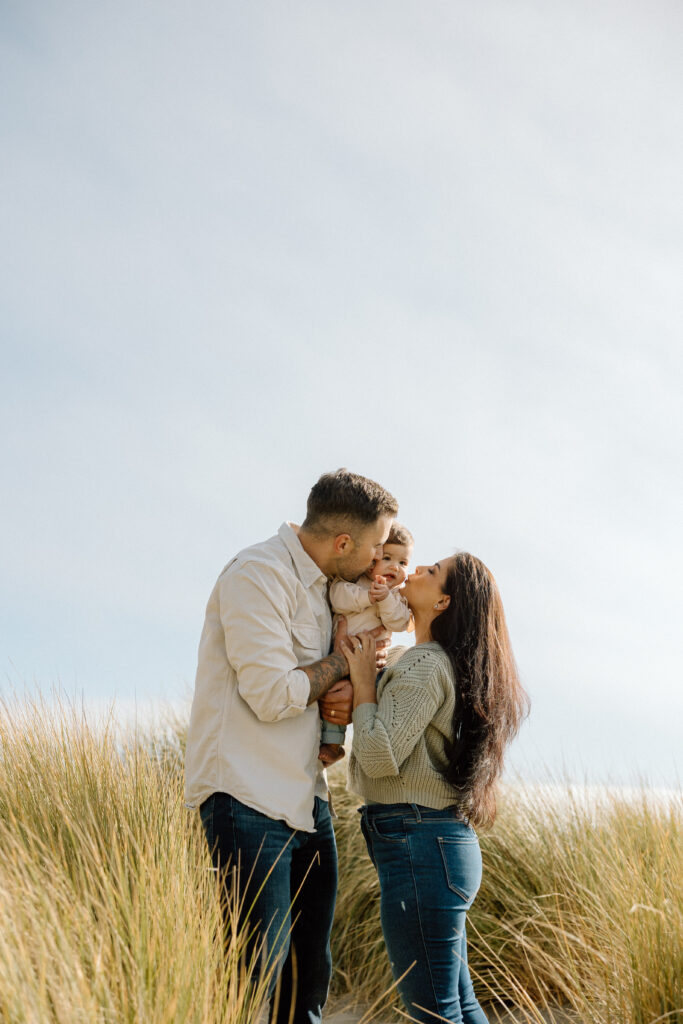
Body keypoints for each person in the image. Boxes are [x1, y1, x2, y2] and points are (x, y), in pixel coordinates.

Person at [184, 468, 397, 1024]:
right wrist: (342, 664)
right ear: (343, 543)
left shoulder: (331, 589)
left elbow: (320, 685)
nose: (381, 561)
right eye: (377, 547)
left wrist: (346, 688)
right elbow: (273, 694)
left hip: (308, 801)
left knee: (308, 980)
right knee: (252, 978)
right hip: (246, 798)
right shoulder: (257, 574)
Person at [345, 552, 529, 1024]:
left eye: (431, 571)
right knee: (458, 1008)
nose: (418, 568)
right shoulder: (439, 662)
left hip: (421, 847)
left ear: (444, 601)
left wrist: (365, 682)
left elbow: (379, 756)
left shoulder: (426, 664)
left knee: (434, 1011)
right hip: (438, 846)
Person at [319, 523, 413, 763]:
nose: (395, 566)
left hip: (368, 664)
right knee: (332, 690)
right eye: (388, 558)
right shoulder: (356, 582)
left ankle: (334, 744)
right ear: (373, 560)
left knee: (353, 697)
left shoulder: (395, 597)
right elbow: (337, 597)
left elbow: (398, 622)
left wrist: (384, 600)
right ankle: (327, 740)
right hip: (338, 652)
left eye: (403, 563)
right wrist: (367, 597)